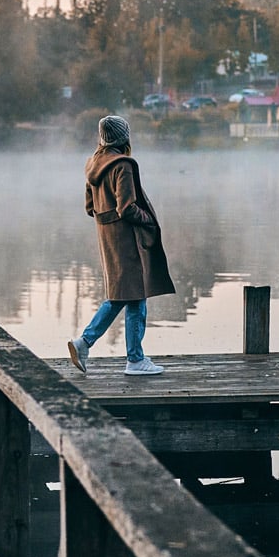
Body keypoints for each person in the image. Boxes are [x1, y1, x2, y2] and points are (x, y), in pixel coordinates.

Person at [68, 114, 175, 376]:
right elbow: (127, 207)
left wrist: (108, 222)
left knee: (121, 294)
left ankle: (85, 343)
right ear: (123, 136)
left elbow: (90, 207)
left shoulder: (92, 164)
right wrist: (148, 219)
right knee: (135, 295)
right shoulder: (122, 165)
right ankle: (135, 360)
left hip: (108, 238)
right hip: (128, 239)